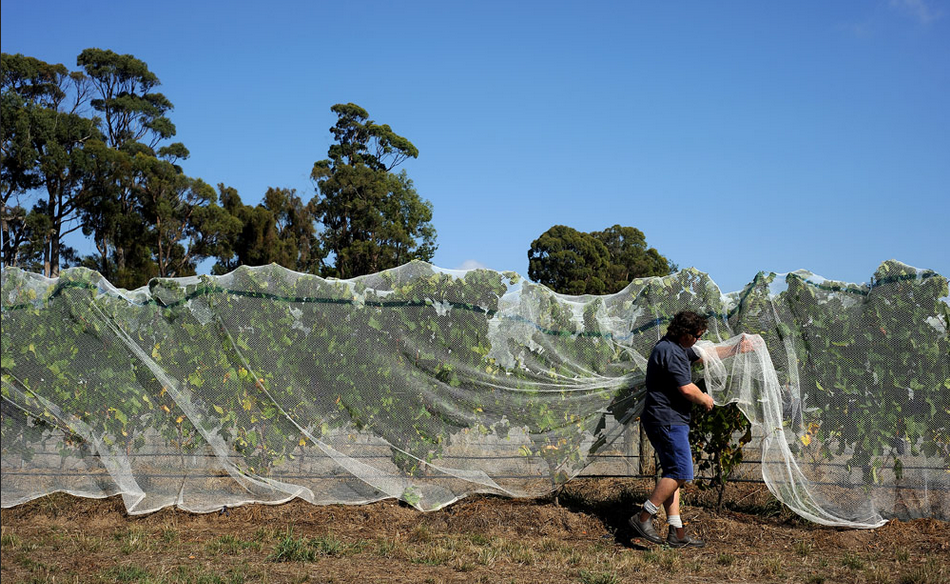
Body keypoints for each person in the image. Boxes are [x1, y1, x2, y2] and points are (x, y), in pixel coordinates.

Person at [629, 310, 752, 548]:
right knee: (681, 473)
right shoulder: (671, 352)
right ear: (684, 334)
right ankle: (643, 517)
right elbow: (686, 389)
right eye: (696, 335)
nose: (697, 340)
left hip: (666, 418)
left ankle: (677, 533)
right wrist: (706, 399)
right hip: (667, 420)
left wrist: (736, 349)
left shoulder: (673, 346)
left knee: (672, 474)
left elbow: (706, 354)